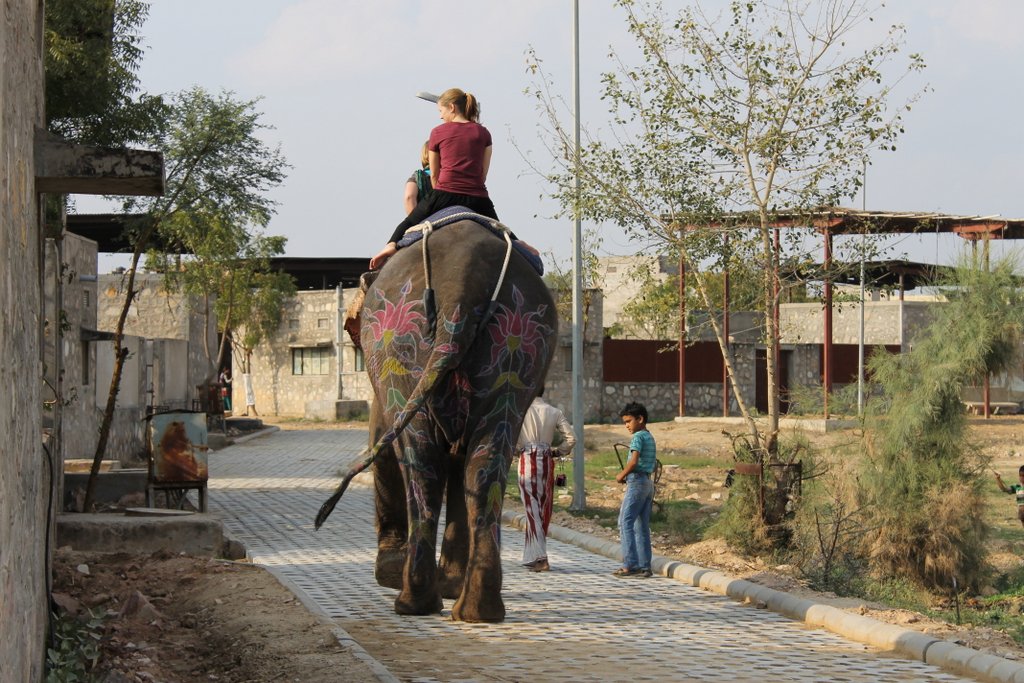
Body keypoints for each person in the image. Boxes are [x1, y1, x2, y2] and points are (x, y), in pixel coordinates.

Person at [370, 88, 499, 270]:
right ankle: (525, 248)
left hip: (444, 194)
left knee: (407, 224)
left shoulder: (437, 132)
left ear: (452, 107)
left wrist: (439, 193)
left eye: (441, 111)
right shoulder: (483, 133)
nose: (440, 116)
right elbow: (483, 174)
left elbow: (434, 175)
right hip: (478, 198)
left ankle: (390, 246)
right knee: (505, 235)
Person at [515, 389, 576, 572]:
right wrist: (558, 451)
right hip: (547, 462)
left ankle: (541, 558)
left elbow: (509, 436)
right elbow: (572, 439)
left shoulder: (520, 410)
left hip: (527, 461)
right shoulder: (554, 411)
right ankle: (532, 556)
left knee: (531, 509)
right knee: (542, 510)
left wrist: (517, 450)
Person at [613, 401, 656, 578]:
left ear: (640, 419)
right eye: (625, 422)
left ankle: (630, 565)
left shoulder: (638, 437)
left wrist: (621, 475)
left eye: (629, 421)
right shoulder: (649, 436)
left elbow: (633, 462)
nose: (627, 426)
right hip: (648, 483)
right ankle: (645, 566)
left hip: (637, 482)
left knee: (625, 522)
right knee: (641, 526)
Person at [404, 141, 433, 214]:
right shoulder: (451, 175)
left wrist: (415, 219)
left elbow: (409, 197)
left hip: (425, 217)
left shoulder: (417, 177)